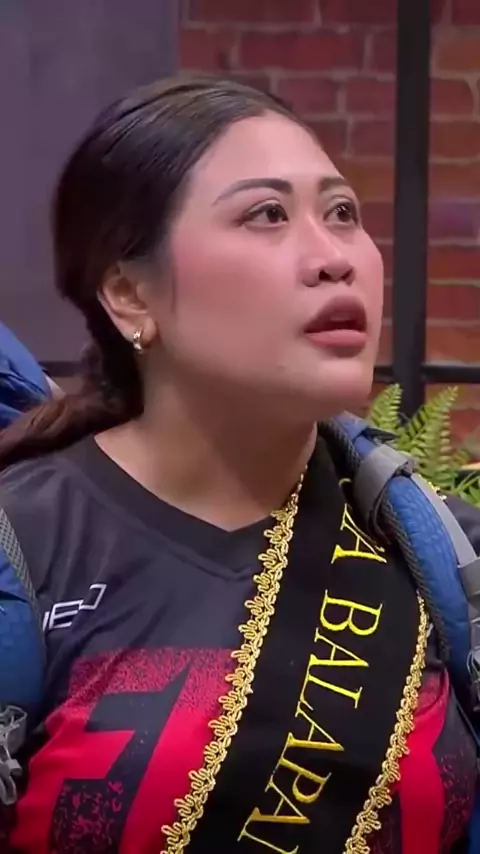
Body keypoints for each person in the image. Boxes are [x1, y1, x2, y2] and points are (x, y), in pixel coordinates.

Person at [0, 75, 478, 854]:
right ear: (129, 293)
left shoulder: (438, 553)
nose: (334, 259)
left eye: (342, 213)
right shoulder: (25, 551)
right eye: (267, 215)